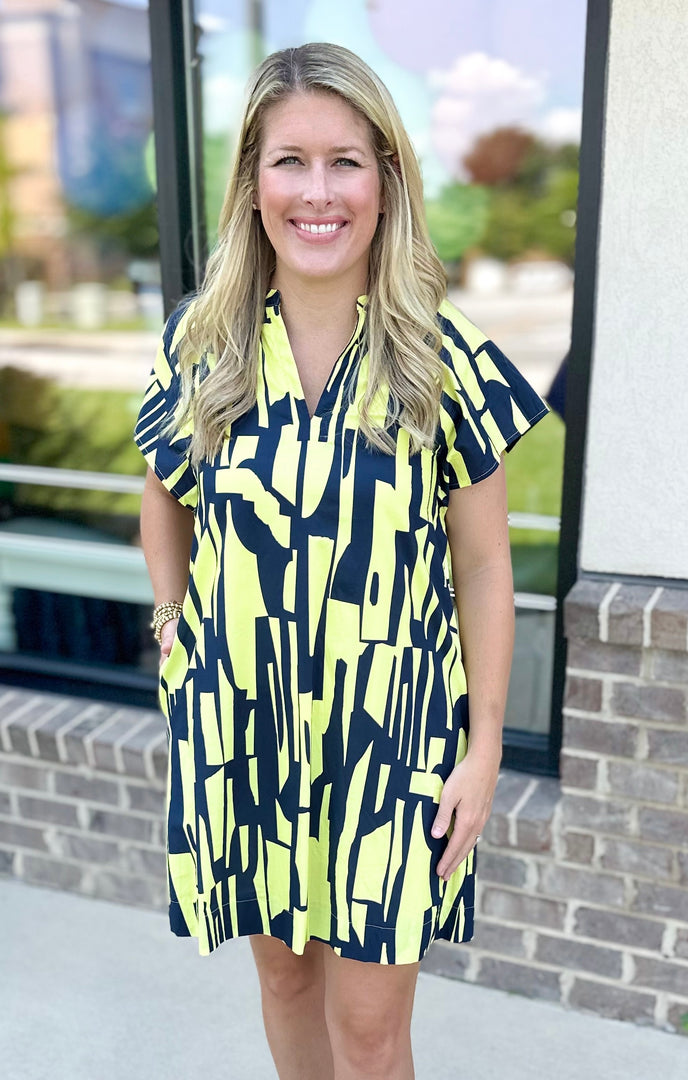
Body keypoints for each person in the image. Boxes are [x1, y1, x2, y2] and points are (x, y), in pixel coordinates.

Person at [135, 42, 548, 1080]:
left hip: (394, 739)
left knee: (369, 1033)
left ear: (386, 180)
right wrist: (172, 623)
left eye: (346, 161)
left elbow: (487, 569)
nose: (317, 193)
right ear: (252, 181)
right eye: (290, 161)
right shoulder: (205, 343)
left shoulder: (442, 357)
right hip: (248, 726)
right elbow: (162, 491)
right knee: (281, 983)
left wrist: (485, 742)